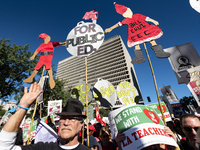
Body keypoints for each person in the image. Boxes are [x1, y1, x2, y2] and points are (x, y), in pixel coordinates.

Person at [0, 82, 90, 150]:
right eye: (63, 118)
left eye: (72, 119)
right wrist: (23, 107)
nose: (66, 122)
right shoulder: (43, 147)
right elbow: (4, 147)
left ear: (81, 125)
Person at [105, 3, 170, 64]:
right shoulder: (126, 20)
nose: (127, 13)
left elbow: (146, 18)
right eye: (125, 12)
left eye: (127, 11)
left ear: (129, 10)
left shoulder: (137, 15)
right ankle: (139, 57)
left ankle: (159, 52)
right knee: (136, 43)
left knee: (151, 39)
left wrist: (153, 21)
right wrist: (110, 28)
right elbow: (118, 24)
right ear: (123, 15)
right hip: (135, 33)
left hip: (145, 29)